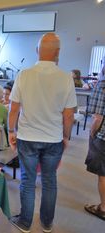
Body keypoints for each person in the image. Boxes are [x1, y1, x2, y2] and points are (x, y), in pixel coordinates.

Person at [8, 33, 76, 233]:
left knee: (28, 181)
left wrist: (11, 131)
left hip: (27, 138)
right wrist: (66, 137)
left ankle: (25, 222)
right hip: (53, 139)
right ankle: (47, 223)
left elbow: (13, 108)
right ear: (58, 53)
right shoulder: (66, 78)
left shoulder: (24, 74)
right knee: (49, 181)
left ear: (37, 51)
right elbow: (69, 115)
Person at [84, 62, 105, 221]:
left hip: (102, 138)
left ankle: (103, 208)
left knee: (102, 174)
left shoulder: (102, 85)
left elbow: (97, 118)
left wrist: (92, 134)